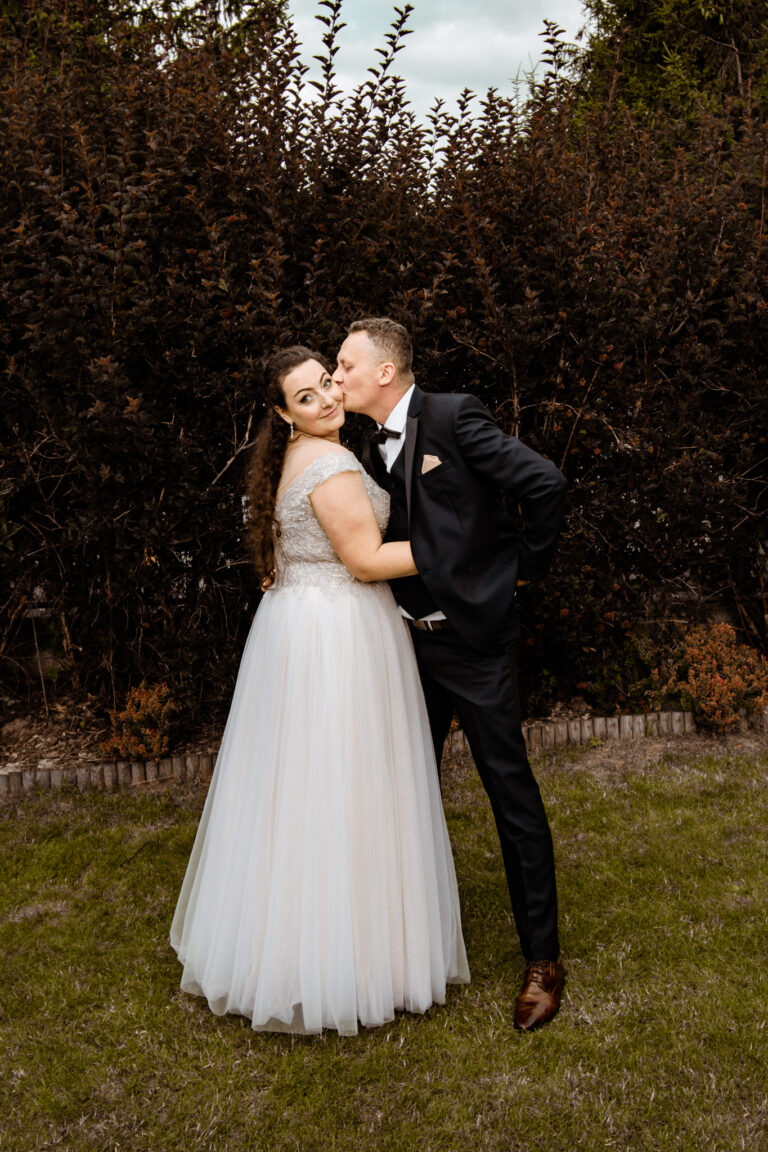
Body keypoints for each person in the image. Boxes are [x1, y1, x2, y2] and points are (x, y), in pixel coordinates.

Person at [170, 346, 469, 1036]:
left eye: (328, 383)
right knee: (346, 782)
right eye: (306, 397)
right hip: (341, 633)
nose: (328, 398)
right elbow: (364, 561)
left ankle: (288, 944)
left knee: (298, 787)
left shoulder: (291, 459)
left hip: (297, 628)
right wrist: (463, 546)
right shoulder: (330, 464)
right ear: (284, 413)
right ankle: (353, 958)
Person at [333, 318, 568, 1031]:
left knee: (510, 793)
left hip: (473, 644)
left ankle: (543, 960)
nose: (336, 378)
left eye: (345, 365)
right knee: (402, 790)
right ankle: (403, 945)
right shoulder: (360, 443)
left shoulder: (454, 416)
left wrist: (518, 573)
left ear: (385, 372)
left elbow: (545, 484)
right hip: (403, 645)